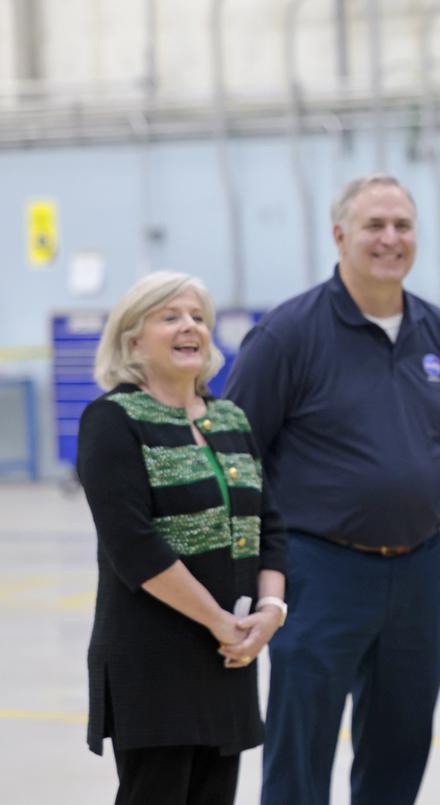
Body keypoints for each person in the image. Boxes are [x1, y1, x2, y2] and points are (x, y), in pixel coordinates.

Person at [224, 174, 440, 805]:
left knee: (400, 745)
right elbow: (235, 457)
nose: (390, 238)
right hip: (318, 570)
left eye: (402, 226)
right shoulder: (287, 335)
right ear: (339, 235)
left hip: (418, 571)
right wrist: (257, 578)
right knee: (301, 750)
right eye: (374, 225)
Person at [78, 271, 287, 805]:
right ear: (132, 341)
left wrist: (270, 612)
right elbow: (133, 545)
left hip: (229, 656)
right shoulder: (111, 419)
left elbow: (268, 525)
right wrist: (220, 622)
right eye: (169, 317)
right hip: (154, 659)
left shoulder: (230, 418)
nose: (189, 326)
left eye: (198, 316)